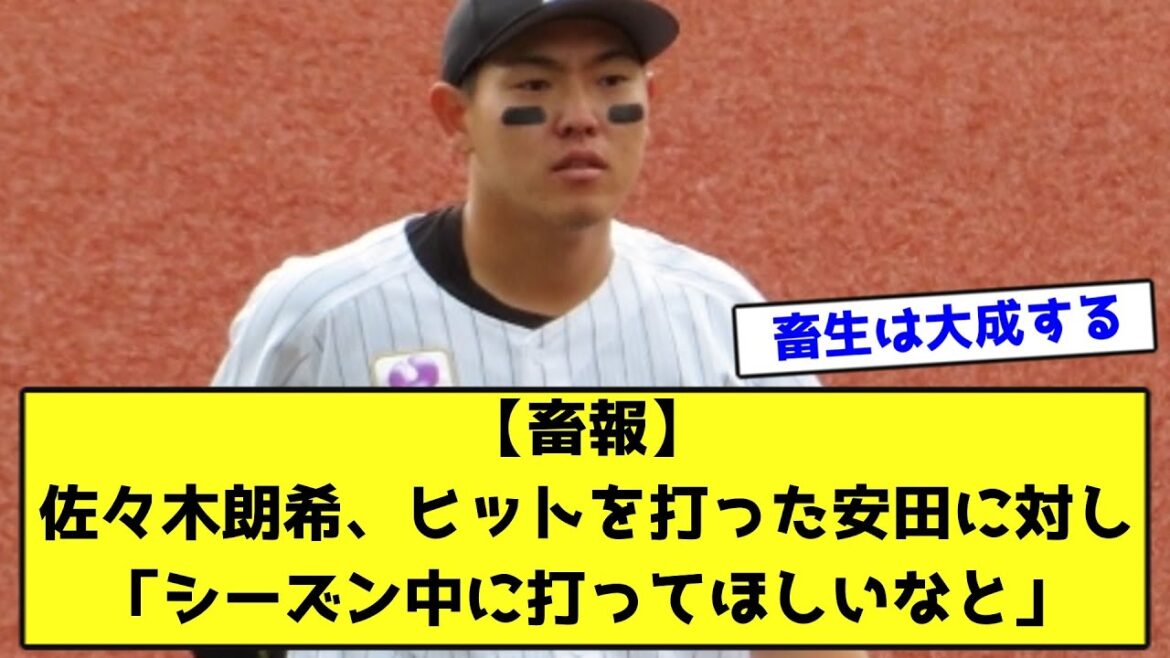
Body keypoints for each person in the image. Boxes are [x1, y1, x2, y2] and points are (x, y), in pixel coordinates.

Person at [208, 1, 865, 657]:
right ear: (455, 117)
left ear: (650, 100)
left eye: (611, 81)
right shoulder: (320, 318)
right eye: (534, 84)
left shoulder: (720, 318)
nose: (580, 116)